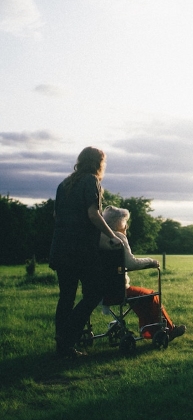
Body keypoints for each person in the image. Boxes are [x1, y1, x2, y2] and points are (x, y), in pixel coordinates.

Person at [49, 147, 123, 358]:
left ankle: (62, 346)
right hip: (80, 250)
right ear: (98, 163)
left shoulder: (64, 184)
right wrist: (112, 235)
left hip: (60, 248)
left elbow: (57, 215)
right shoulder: (91, 181)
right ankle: (67, 338)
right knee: (94, 293)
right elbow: (93, 214)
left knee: (66, 297)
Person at [99, 206, 186, 341]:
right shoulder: (118, 237)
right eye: (124, 222)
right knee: (150, 295)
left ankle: (149, 331)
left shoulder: (98, 237)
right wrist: (151, 261)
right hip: (117, 290)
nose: (126, 225)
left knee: (140, 297)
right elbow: (131, 263)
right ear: (118, 223)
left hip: (99, 290)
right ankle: (169, 329)